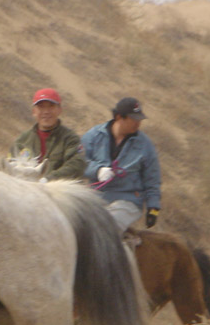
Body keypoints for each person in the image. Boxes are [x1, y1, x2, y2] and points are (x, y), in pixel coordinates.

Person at [82, 97, 161, 234]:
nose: (138, 123)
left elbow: (152, 178)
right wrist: (97, 170)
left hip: (127, 200)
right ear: (119, 117)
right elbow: (78, 162)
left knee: (106, 228)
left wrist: (153, 208)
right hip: (95, 197)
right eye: (134, 119)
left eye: (139, 119)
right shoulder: (93, 136)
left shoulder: (145, 145)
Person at [9, 88, 86, 181]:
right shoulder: (22, 141)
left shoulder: (70, 139)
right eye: (41, 107)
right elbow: (10, 167)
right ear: (34, 111)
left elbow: (76, 165)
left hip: (60, 192)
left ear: (59, 110)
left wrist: (48, 179)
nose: (46, 111)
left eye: (51, 106)